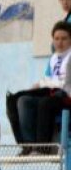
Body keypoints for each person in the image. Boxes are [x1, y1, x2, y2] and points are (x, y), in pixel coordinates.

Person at [5, 21, 71, 153]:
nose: (59, 42)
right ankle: (27, 145)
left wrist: (42, 84)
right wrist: (38, 86)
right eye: (56, 39)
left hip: (66, 96)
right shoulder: (54, 58)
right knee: (19, 100)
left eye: (64, 38)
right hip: (53, 92)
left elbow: (63, 82)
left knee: (45, 103)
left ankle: (43, 148)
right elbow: (48, 79)